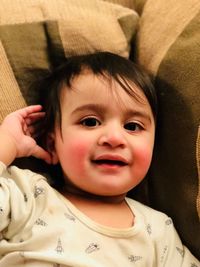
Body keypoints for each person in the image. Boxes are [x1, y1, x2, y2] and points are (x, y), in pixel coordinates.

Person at [0, 52, 199, 267]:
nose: (114, 138)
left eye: (132, 126)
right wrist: (8, 140)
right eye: (90, 122)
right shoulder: (28, 196)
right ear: (52, 145)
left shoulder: (159, 231)